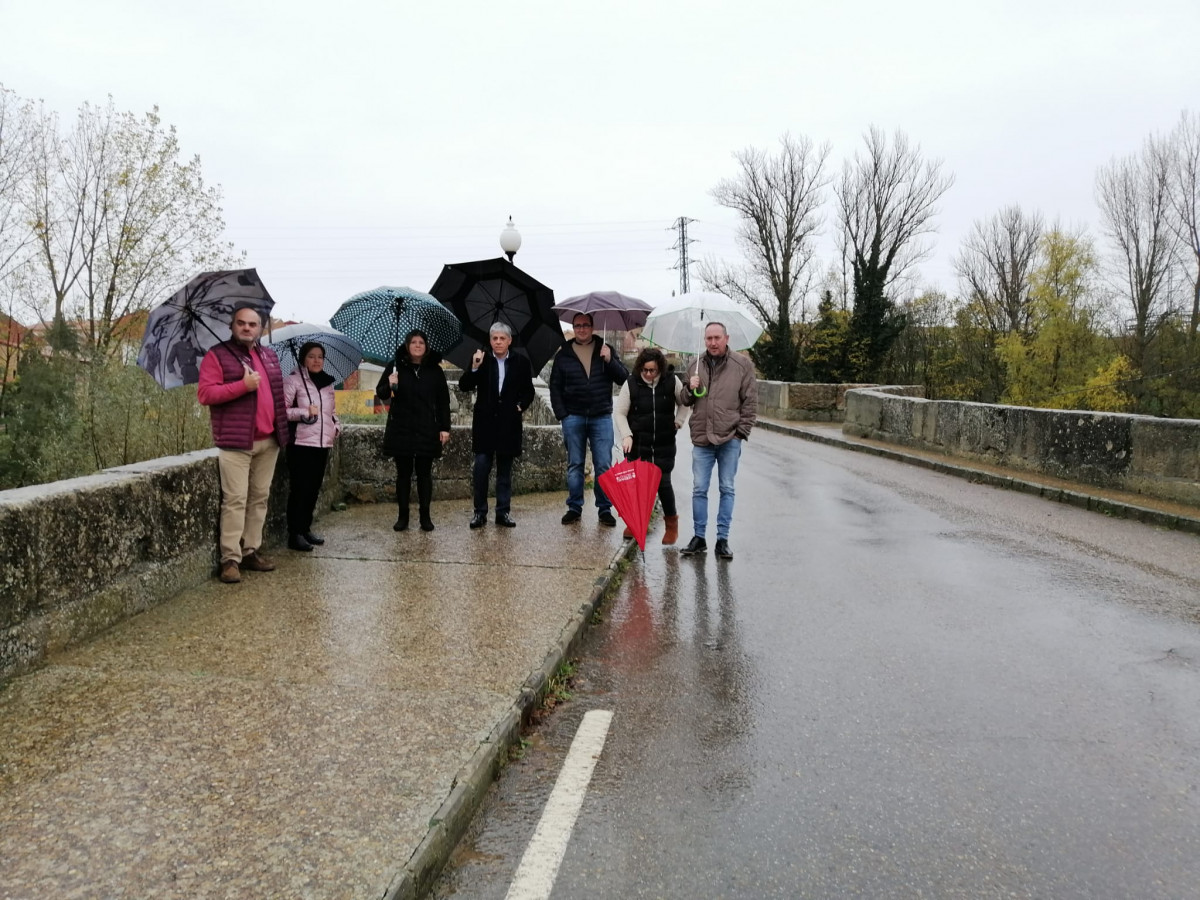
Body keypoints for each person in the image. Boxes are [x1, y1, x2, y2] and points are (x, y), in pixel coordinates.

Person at [197, 302, 289, 584]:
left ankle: (250, 551)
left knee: (259, 498)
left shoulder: (269, 356)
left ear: (261, 328)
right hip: (237, 441)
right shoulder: (217, 356)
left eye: (252, 324)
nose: (247, 328)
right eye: (241, 323)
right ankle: (230, 559)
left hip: (269, 439)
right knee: (235, 500)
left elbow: (276, 395)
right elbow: (206, 394)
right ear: (232, 326)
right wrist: (242, 386)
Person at [679, 322, 758, 561]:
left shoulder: (742, 365)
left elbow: (750, 402)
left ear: (726, 338)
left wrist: (740, 433)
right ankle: (699, 537)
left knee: (727, 488)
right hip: (702, 437)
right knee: (699, 489)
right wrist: (690, 389)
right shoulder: (695, 365)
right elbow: (684, 399)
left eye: (717, 338)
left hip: (729, 438)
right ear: (704, 340)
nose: (713, 343)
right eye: (709, 338)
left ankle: (722, 540)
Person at [548, 312, 628, 526]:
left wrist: (610, 361)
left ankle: (604, 509)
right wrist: (562, 415)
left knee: (603, 465)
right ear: (573, 328)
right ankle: (574, 507)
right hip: (573, 416)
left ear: (592, 327)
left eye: (585, 325)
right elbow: (554, 386)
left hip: (600, 416)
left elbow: (624, 379)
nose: (581, 329)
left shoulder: (606, 349)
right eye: (577, 325)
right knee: (575, 465)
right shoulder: (563, 354)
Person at [459, 322, 535, 529]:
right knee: (481, 470)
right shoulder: (481, 359)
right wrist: (474, 367)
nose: (498, 342)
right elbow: (464, 385)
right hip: (485, 425)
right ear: (490, 341)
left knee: (504, 472)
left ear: (509, 341)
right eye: (495, 338)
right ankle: (479, 513)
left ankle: (503, 512)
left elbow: (529, 391)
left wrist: (520, 405)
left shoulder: (520, 362)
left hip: (508, 425)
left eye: (502, 338)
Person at [375, 330, 451, 532]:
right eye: (413, 342)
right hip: (402, 428)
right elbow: (381, 393)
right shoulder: (396, 367)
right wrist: (391, 384)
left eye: (421, 342)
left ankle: (425, 516)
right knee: (403, 475)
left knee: (425, 475)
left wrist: (445, 428)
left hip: (427, 428)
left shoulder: (435, 371)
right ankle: (403, 517)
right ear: (407, 346)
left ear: (426, 347)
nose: (417, 345)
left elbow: (443, 401)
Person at [613, 347, 689, 544]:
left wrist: (679, 421)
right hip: (639, 444)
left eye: (652, 370)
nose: (648, 374)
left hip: (663, 444)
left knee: (664, 485)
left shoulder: (671, 381)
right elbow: (620, 412)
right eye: (645, 370)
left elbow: (684, 402)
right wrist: (627, 435)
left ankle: (672, 525)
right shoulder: (631, 383)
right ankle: (637, 522)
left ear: (659, 369)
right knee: (638, 487)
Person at [283, 341, 341, 552]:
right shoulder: (293, 381)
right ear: (303, 359)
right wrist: (304, 412)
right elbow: (281, 411)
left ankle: (305, 528)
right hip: (301, 443)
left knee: (314, 488)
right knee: (300, 488)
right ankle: (294, 533)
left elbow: (331, 411)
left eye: (320, 357)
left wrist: (336, 426)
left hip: (322, 443)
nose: (316, 360)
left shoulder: (327, 383)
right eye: (311, 356)